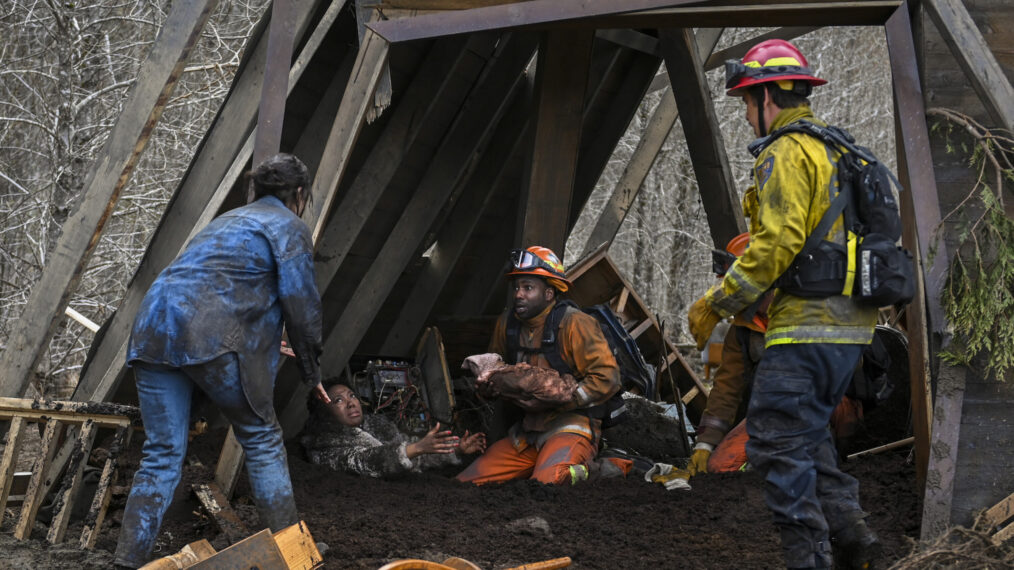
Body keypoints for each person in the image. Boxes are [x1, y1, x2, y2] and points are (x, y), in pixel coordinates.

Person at [687, 40, 880, 569]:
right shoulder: (838, 150)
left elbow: (776, 244)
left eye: (748, 102)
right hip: (851, 326)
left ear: (768, 95)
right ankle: (853, 537)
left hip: (805, 325)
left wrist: (718, 301)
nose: (748, 114)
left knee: (772, 441)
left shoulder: (786, 151)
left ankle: (809, 560)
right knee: (806, 434)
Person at [114, 154, 326, 569]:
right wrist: (311, 370)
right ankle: (295, 557)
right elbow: (302, 309)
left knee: (160, 453)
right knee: (262, 437)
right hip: (208, 335)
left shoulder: (225, 222)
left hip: (153, 329)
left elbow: (207, 286)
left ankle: (125, 562)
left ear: (255, 190)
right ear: (300, 194)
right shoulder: (289, 227)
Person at [455, 246, 622, 486]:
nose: (519, 295)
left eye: (528, 288)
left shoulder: (576, 323)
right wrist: (489, 388)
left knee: (550, 482)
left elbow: (608, 379)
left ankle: (606, 469)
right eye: (517, 288)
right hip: (527, 431)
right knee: (466, 483)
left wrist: (563, 399)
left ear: (549, 293)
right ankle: (542, 462)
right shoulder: (508, 324)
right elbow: (496, 371)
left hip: (571, 425)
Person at [300, 381, 487, 477]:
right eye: (338, 400)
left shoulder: (378, 427)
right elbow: (366, 462)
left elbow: (415, 455)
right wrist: (416, 448)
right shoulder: (324, 447)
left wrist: (456, 449)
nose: (351, 403)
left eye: (352, 395)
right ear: (324, 412)